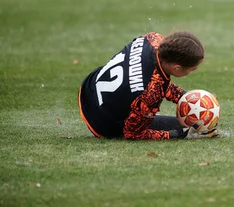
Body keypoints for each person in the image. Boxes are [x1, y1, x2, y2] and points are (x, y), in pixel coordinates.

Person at [79, 31, 215, 140]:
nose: (192, 72)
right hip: (99, 121)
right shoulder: (150, 94)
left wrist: (186, 97)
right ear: (177, 68)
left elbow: (154, 79)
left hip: (89, 87)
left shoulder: (152, 39)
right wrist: (178, 134)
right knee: (186, 127)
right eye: (192, 69)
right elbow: (133, 134)